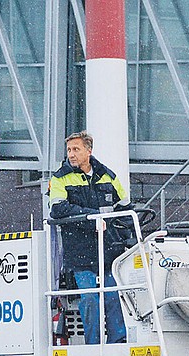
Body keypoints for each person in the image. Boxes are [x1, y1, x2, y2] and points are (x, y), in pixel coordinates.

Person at [49, 131, 130, 344]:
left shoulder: (108, 176)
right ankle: (93, 347)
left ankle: (117, 345)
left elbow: (125, 210)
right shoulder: (59, 179)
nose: (71, 154)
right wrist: (90, 218)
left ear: (89, 151)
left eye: (76, 149)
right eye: (69, 150)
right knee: (90, 299)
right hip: (80, 255)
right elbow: (57, 209)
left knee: (114, 297)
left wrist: (127, 240)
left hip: (109, 253)